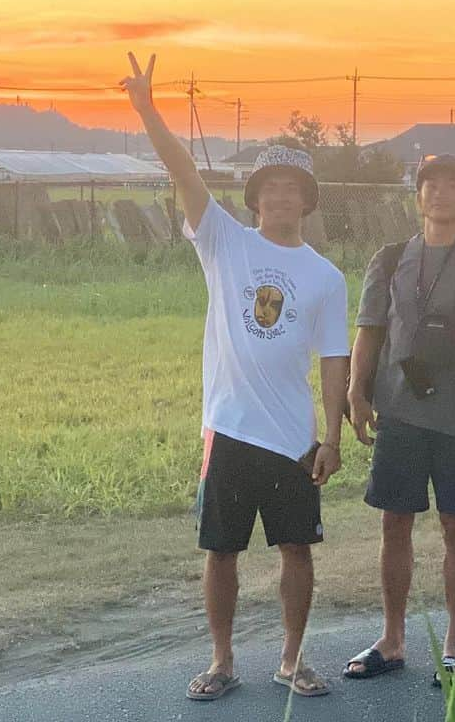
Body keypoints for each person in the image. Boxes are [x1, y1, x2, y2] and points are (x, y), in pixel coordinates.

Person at [121, 52, 350, 702]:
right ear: (254, 199)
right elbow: (184, 170)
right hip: (229, 428)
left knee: (297, 550)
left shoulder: (325, 277)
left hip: (293, 437)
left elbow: (335, 360)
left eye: (292, 189)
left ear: (307, 200)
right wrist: (147, 108)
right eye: (269, 188)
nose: (280, 196)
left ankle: (292, 658)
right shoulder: (223, 240)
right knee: (221, 553)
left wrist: (332, 436)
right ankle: (221, 661)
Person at [344, 153, 455, 687]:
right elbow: (370, 330)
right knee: (393, 523)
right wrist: (357, 393)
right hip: (398, 412)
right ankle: (393, 638)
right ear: (418, 195)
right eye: (431, 185)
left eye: (453, 185)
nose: (441, 193)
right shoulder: (391, 257)